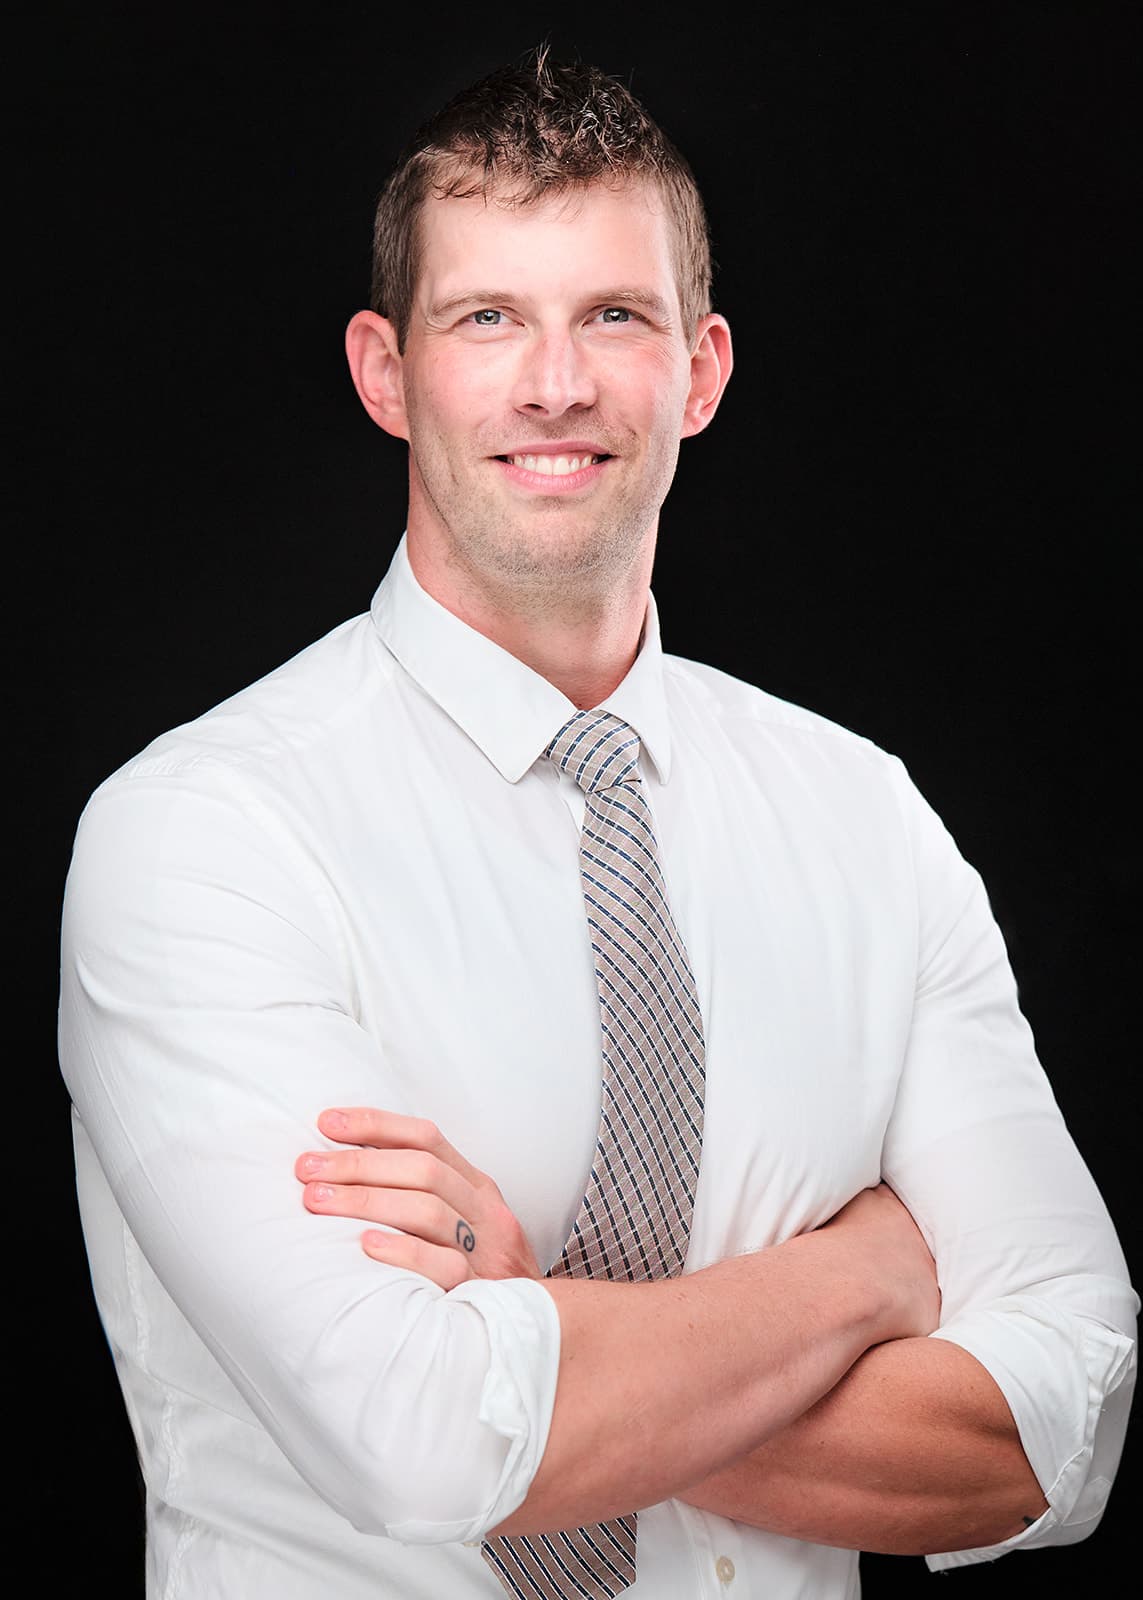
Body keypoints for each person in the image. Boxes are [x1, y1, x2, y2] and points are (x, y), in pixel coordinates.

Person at [59, 49, 1136, 1600]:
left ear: (699, 371)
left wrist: (543, 1339)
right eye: (486, 316)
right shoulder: (207, 837)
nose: (553, 385)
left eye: (611, 318)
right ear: (386, 371)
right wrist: (868, 1273)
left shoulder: (865, 821)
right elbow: (415, 1441)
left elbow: (1063, 1438)